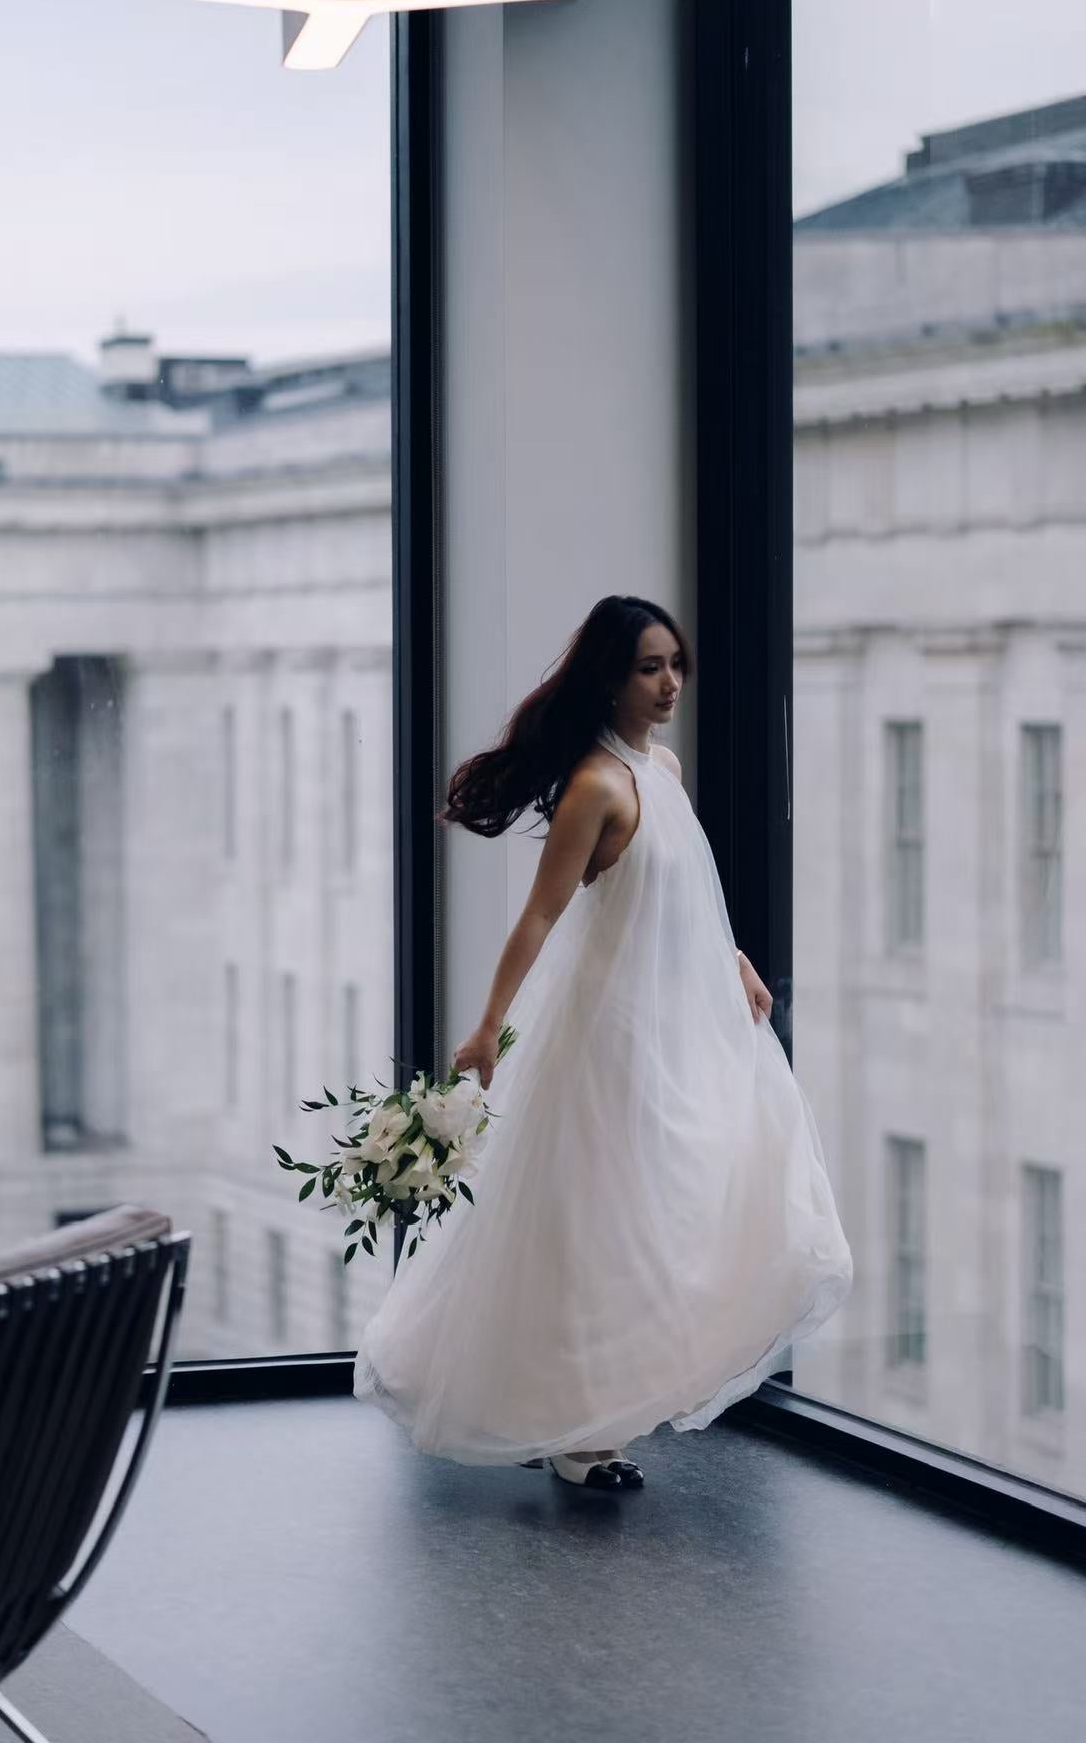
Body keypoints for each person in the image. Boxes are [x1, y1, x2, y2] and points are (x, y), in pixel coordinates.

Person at [352, 594, 853, 1492]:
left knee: (676, 1201)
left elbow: (685, 889)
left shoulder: (660, 768)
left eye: (674, 664)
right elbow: (542, 913)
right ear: (610, 679)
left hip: (675, 1022)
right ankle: (582, 1434)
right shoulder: (596, 785)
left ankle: (603, 1404)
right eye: (648, 668)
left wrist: (733, 959)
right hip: (607, 1035)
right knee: (596, 1222)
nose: (669, 684)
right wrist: (485, 1026)